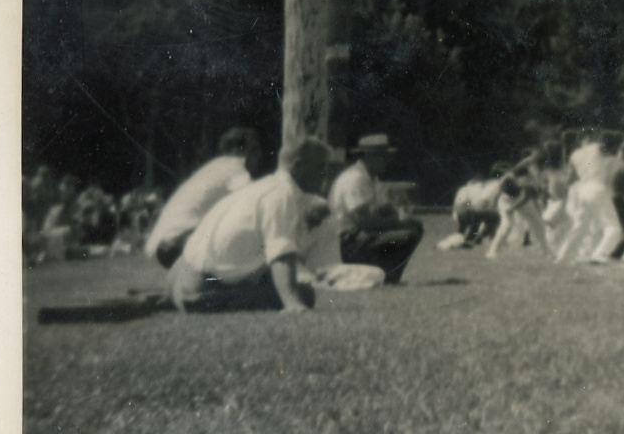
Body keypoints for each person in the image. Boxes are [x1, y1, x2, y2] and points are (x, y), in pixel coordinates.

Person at [168, 137, 337, 314]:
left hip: (180, 273)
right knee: (305, 294)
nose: (325, 174)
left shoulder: (264, 186)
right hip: (199, 290)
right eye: (320, 167)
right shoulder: (282, 194)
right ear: (299, 166)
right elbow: (281, 254)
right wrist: (292, 302)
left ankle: (167, 299)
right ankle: (197, 301)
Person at [145, 127, 271, 269]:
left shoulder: (215, 167)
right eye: (254, 150)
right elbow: (254, 204)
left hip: (164, 243)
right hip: (175, 243)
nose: (259, 155)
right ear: (239, 151)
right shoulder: (236, 169)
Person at [328, 134, 425, 284]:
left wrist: (398, 211)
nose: (387, 160)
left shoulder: (371, 178)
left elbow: (383, 209)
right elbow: (365, 221)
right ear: (369, 156)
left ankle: (388, 276)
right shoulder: (354, 178)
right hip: (349, 241)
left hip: (361, 236)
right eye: (382, 156)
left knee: (414, 227)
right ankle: (387, 278)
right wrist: (399, 221)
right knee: (408, 234)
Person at [556, 129, 624, 263]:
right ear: (589, 137)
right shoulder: (597, 148)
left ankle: (562, 256)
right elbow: (612, 148)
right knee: (614, 227)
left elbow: (570, 178)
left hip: (582, 190)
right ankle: (599, 254)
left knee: (580, 226)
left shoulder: (575, 154)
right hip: (597, 187)